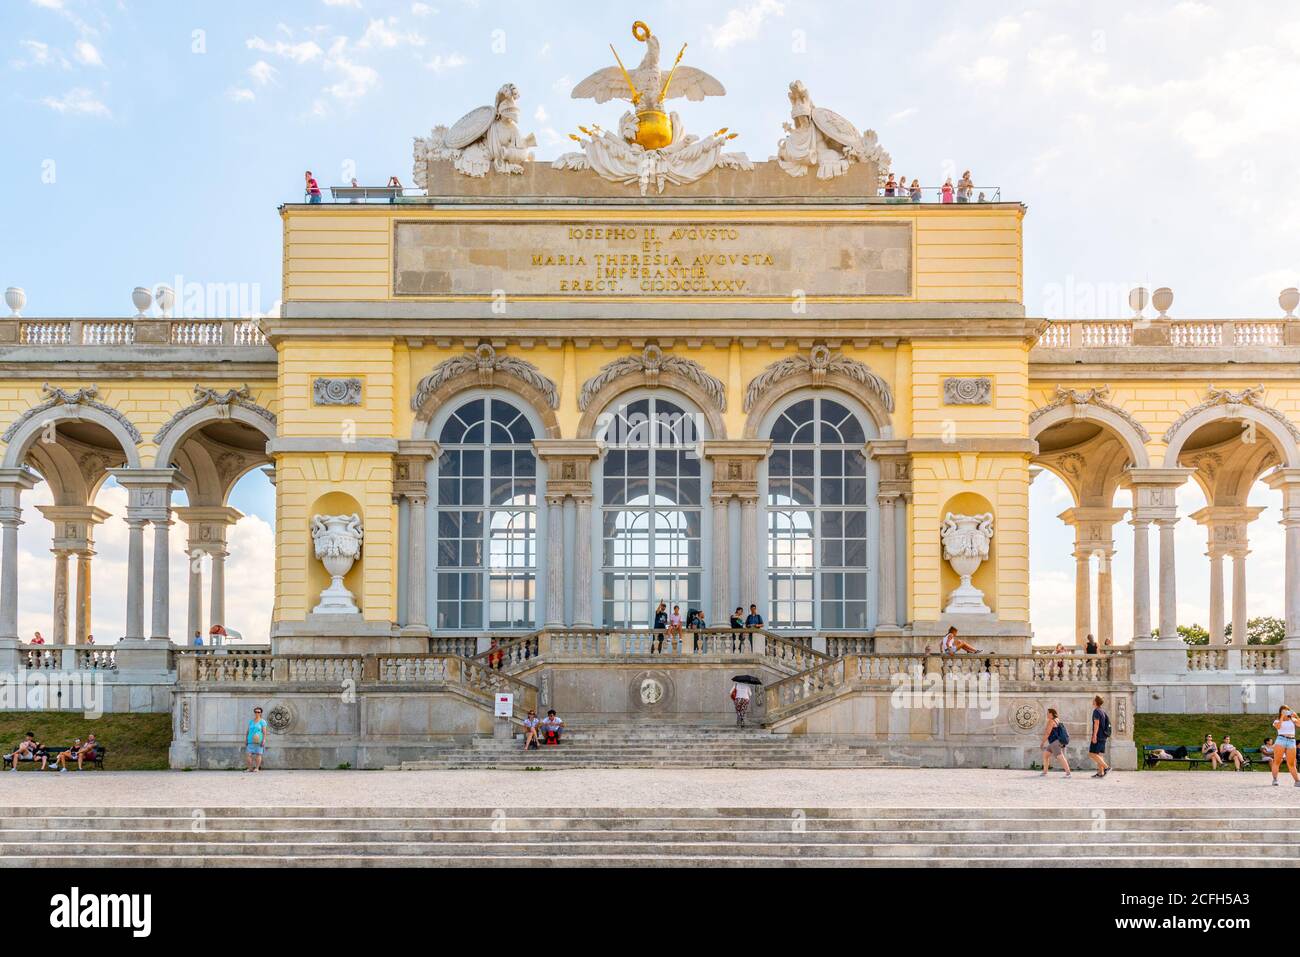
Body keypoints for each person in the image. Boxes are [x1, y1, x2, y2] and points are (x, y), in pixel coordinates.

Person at [1270, 705, 1299, 787]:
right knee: (1277, 761)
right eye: (1283, 711)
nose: (1286, 712)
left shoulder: (1293, 720)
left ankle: (1297, 781)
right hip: (1281, 740)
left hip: (1291, 740)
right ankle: (1275, 779)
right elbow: (1278, 727)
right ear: (1280, 712)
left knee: (1291, 763)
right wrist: (1282, 717)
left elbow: (1299, 724)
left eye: (1287, 711)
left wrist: (1296, 716)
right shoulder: (1277, 721)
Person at [1039, 708, 1071, 777]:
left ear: (1051, 714)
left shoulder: (1051, 721)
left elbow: (1047, 733)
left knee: (1060, 756)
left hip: (1055, 743)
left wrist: (1042, 742)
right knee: (1046, 755)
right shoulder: (1057, 720)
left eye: (1048, 713)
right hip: (1054, 742)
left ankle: (1068, 773)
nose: (1047, 714)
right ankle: (1045, 772)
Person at [1089, 695, 1111, 778]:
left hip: (1098, 736)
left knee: (1092, 754)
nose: (1092, 700)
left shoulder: (1096, 711)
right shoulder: (1102, 711)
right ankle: (1101, 773)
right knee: (1099, 754)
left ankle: (1107, 767)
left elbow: (1096, 724)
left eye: (1093, 699)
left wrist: (1094, 735)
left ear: (1096, 702)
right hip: (1103, 736)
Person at [245, 706, 267, 772]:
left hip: (259, 740)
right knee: (248, 754)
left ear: (261, 713)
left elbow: (264, 732)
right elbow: (248, 731)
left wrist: (264, 740)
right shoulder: (251, 721)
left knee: (258, 754)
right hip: (250, 740)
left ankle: (257, 768)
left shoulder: (262, 721)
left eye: (258, 712)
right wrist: (246, 739)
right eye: (256, 712)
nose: (257, 713)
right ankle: (250, 768)